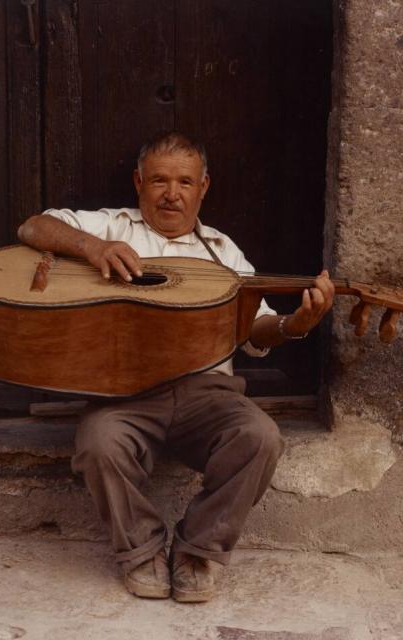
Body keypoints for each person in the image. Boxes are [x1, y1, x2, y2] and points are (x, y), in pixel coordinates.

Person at [18, 132, 335, 602]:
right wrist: (92, 249)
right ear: (138, 183)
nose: (172, 193)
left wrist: (295, 324)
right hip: (126, 394)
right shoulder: (112, 227)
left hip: (207, 395)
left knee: (261, 437)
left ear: (203, 187)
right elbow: (32, 228)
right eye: (160, 180)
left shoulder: (223, 253)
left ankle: (197, 550)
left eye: (184, 182)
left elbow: (258, 326)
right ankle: (142, 550)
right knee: (99, 444)